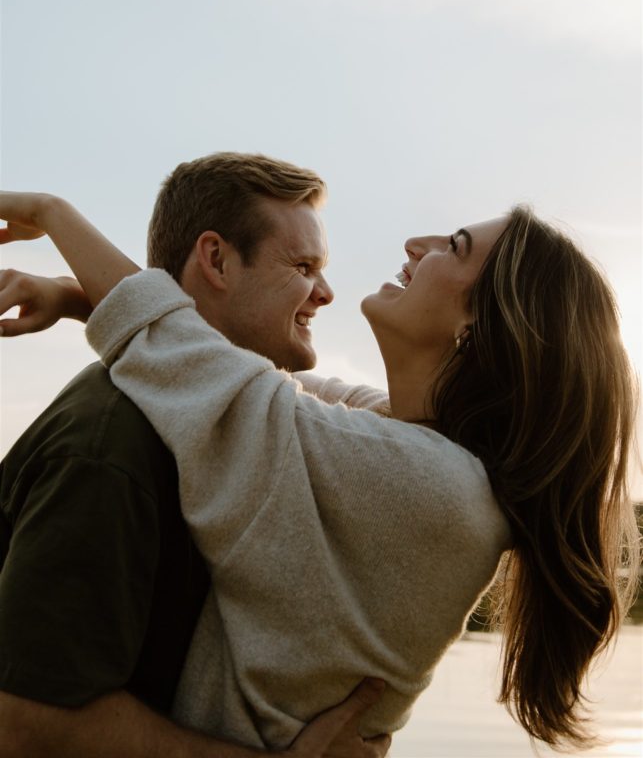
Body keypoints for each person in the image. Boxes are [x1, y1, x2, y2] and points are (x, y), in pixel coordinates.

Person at [0, 187, 639, 753]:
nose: (418, 244)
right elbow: (226, 364)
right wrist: (77, 298)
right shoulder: (422, 451)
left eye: (455, 246)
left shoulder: (429, 485)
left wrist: (50, 212)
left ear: (473, 326)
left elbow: (202, 366)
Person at [0, 154, 392, 758]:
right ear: (215, 260)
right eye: (303, 266)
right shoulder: (112, 445)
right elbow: (27, 724)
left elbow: (173, 330)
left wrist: (81, 296)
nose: (327, 292)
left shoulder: (214, 422)